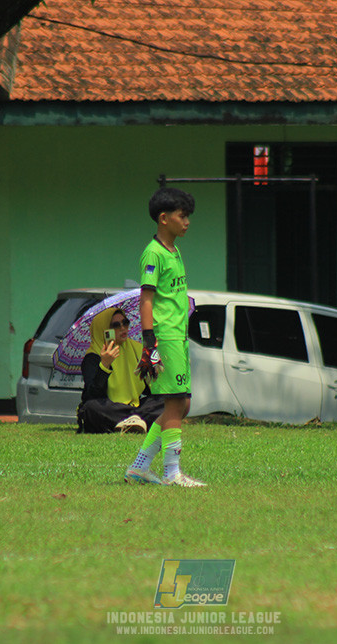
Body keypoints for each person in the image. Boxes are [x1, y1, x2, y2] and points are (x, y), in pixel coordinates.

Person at [124, 188, 206, 487]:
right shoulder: (154, 253)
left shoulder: (174, 250)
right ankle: (173, 473)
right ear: (163, 218)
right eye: (182, 216)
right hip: (165, 338)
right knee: (176, 403)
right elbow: (145, 298)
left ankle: (139, 467)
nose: (187, 222)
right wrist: (149, 341)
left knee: (181, 405)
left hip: (178, 336)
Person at [77, 307, 165, 434]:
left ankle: (130, 421)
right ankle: (136, 420)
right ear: (103, 329)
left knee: (166, 401)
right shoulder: (93, 356)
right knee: (91, 408)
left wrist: (154, 368)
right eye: (115, 325)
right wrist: (105, 365)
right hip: (109, 408)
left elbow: (150, 390)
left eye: (125, 323)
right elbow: (93, 394)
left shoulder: (137, 349)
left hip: (133, 406)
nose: (123, 328)